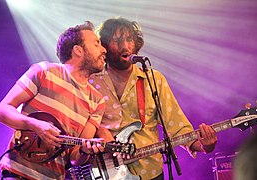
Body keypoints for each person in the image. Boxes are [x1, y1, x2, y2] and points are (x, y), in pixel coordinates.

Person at [89, 17, 218, 179]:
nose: (125, 45)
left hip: (150, 172)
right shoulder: (91, 81)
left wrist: (205, 146)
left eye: (129, 39)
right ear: (104, 46)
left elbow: (177, 127)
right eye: (117, 40)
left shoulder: (153, 79)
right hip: (106, 172)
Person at [0, 21, 107, 179]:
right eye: (96, 44)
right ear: (78, 50)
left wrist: (84, 151)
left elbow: (74, 157)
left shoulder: (98, 101)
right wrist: (36, 125)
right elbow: (1, 111)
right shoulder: (44, 71)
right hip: (17, 174)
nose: (104, 50)